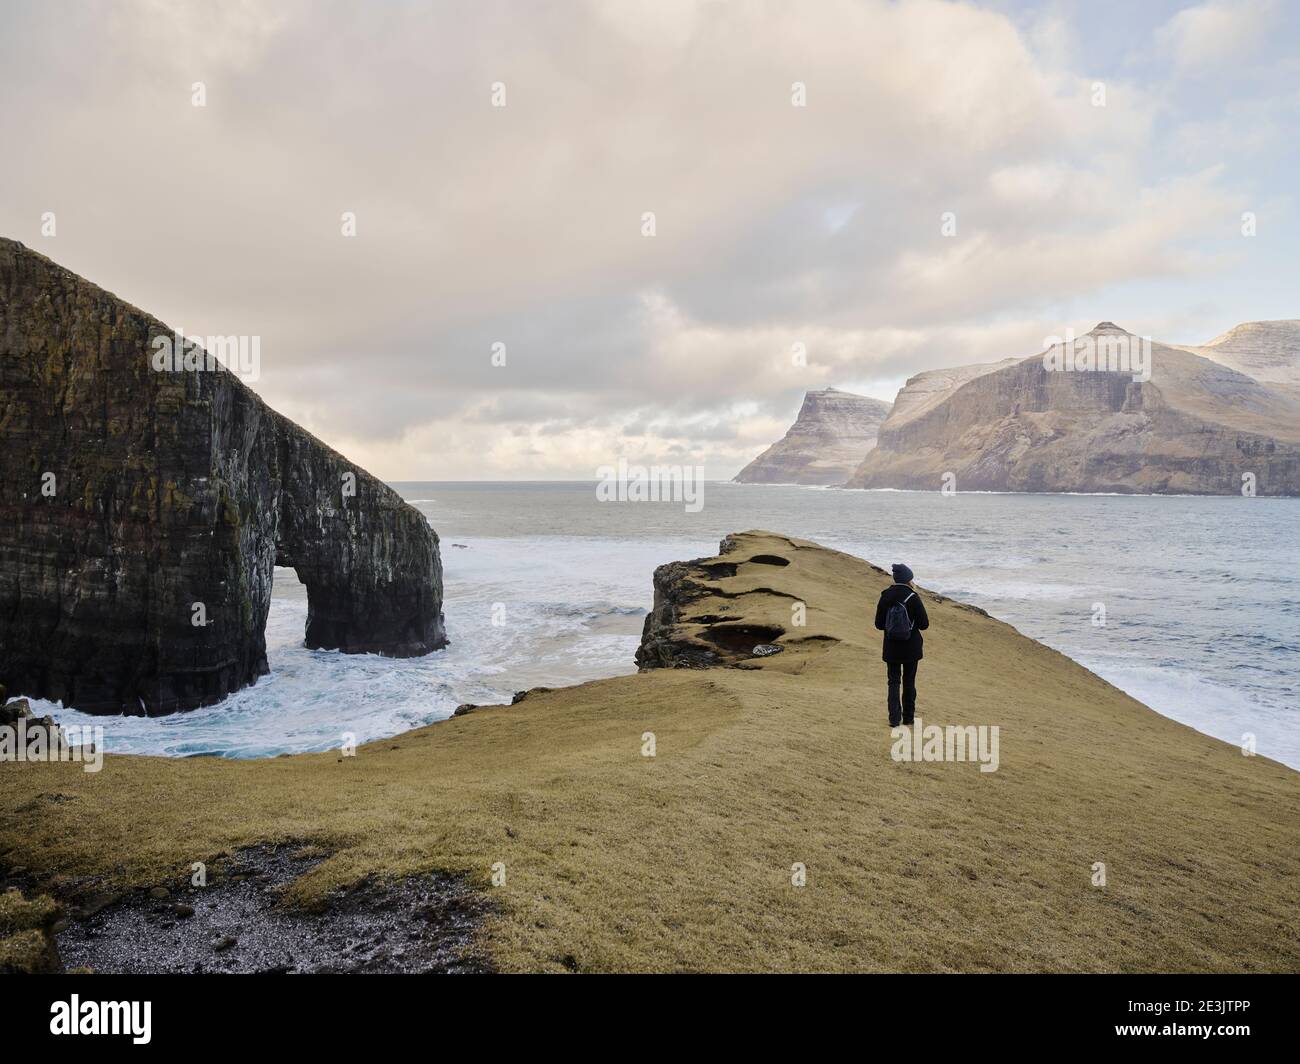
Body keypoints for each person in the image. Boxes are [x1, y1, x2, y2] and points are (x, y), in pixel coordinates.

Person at [874, 563, 929, 728]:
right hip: (911, 648)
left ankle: (893, 719)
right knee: (909, 681)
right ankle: (908, 718)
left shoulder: (885, 596)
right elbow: (924, 624)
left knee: (893, 681)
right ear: (908, 579)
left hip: (891, 647)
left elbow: (878, 624)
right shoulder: (913, 597)